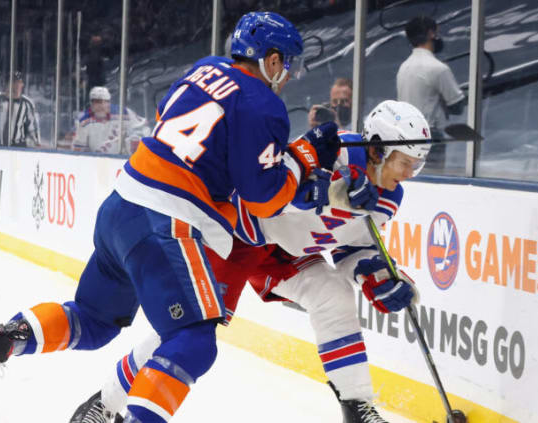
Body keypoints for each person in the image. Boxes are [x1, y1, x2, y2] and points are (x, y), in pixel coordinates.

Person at [0, 12, 340, 423]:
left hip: (122, 204)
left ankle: (0, 340)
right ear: (271, 61)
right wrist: (304, 157)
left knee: (92, 320)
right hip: (165, 220)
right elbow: (263, 198)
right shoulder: (265, 103)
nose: (287, 74)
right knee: (194, 339)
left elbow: (172, 112)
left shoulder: (205, 68)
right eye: (286, 63)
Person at [69, 100, 431, 423]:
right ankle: (106, 403)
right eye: (405, 162)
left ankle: (357, 407)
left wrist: (378, 276)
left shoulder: (389, 198)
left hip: (284, 253)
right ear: (378, 149)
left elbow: (351, 246)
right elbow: (268, 188)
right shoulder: (334, 150)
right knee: (190, 329)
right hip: (239, 235)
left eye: (416, 165)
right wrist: (326, 190)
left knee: (333, 294)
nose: (409, 174)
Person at [397, 15, 465, 170]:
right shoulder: (438, 68)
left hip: (405, 135)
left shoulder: (403, 67)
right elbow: (457, 106)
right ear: (430, 34)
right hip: (430, 136)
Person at [72, 86, 150, 155]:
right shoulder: (84, 121)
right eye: (97, 102)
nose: (101, 105)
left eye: (105, 101)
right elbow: (79, 150)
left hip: (123, 160)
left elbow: (143, 126)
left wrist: (136, 140)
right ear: (91, 103)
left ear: (109, 102)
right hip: (97, 163)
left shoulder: (123, 113)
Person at [0, 71, 41, 148]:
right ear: (8, 84)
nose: (18, 85)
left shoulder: (27, 103)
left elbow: (33, 128)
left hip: (18, 147)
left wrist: (37, 143)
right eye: (14, 82)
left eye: (19, 83)